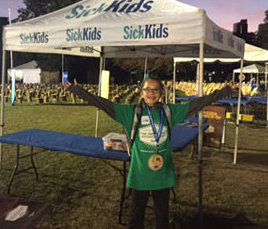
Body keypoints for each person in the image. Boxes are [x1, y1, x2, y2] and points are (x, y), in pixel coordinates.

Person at [64, 77, 234, 229]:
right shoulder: (130, 112)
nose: (151, 93)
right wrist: (77, 90)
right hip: (140, 174)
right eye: (147, 89)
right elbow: (102, 103)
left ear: (161, 92)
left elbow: (198, 103)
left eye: (155, 89)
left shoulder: (169, 111)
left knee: (162, 218)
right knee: (135, 218)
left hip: (162, 174)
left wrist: (225, 91)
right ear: (141, 92)